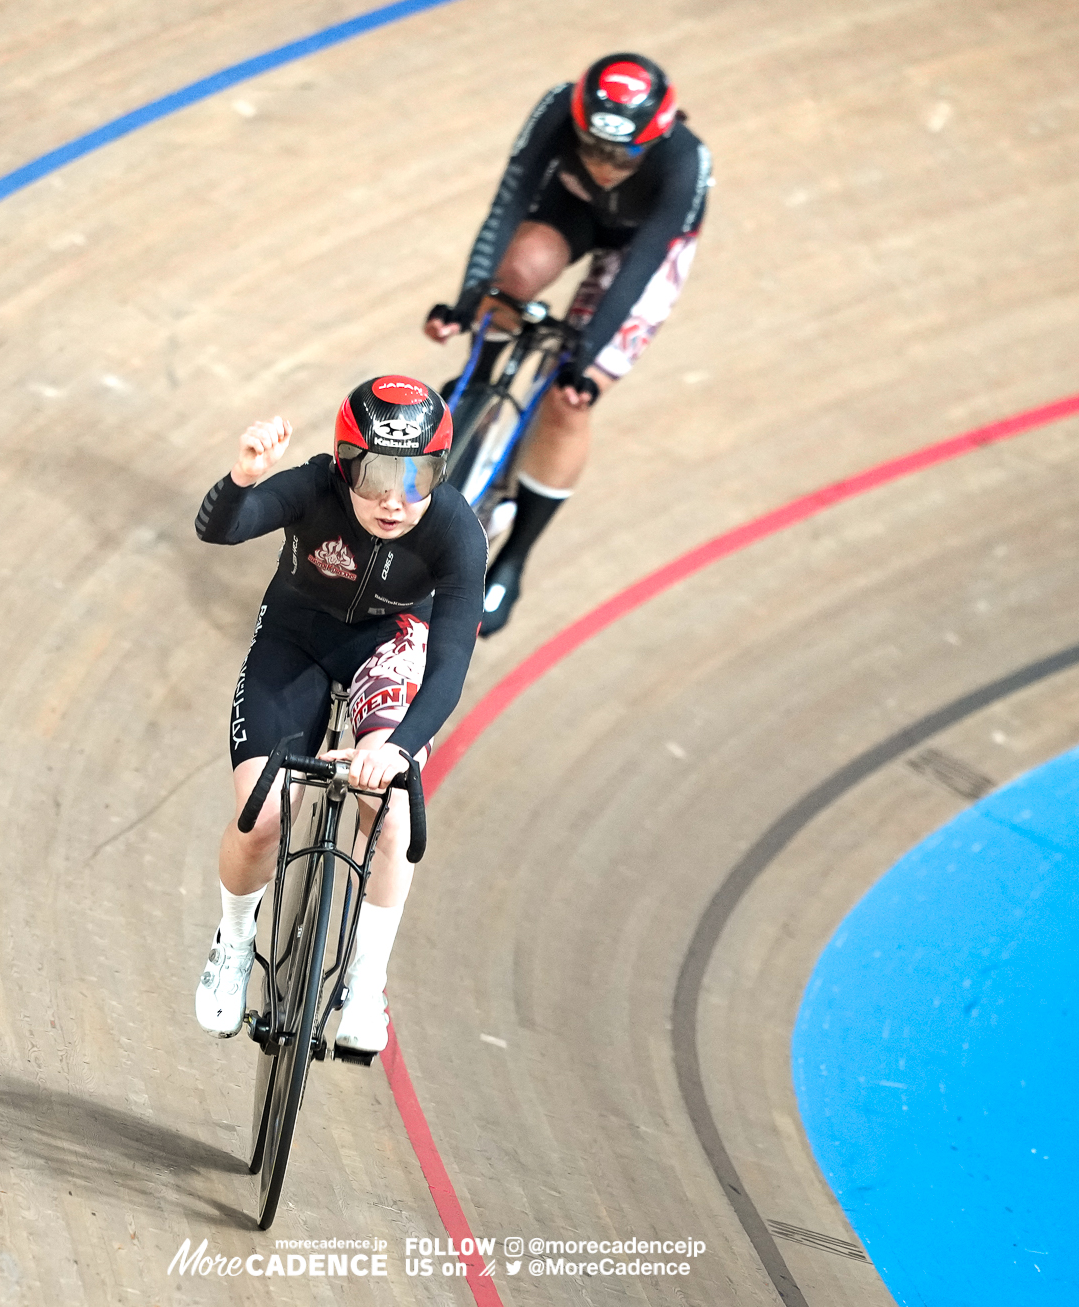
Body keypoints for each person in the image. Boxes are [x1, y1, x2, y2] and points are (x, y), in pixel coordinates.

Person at [191, 376, 487, 1054]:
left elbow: (448, 666)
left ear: (439, 473)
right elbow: (220, 529)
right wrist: (242, 477)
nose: (393, 498)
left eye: (415, 477)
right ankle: (234, 944)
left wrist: (401, 747)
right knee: (262, 815)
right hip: (294, 638)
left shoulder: (455, 530)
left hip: (390, 644)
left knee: (390, 807)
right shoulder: (313, 487)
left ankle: (365, 977)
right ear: (344, 464)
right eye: (376, 474)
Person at [426, 52, 711, 636]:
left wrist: (584, 362)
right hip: (570, 213)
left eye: (622, 155)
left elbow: (644, 267)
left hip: (640, 252)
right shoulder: (557, 108)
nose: (605, 166)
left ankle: (512, 561)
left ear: (654, 139)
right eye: (593, 148)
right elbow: (507, 205)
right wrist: (467, 301)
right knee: (513, 278)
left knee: (566, 400)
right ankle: (478, 388)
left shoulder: (685, 159)